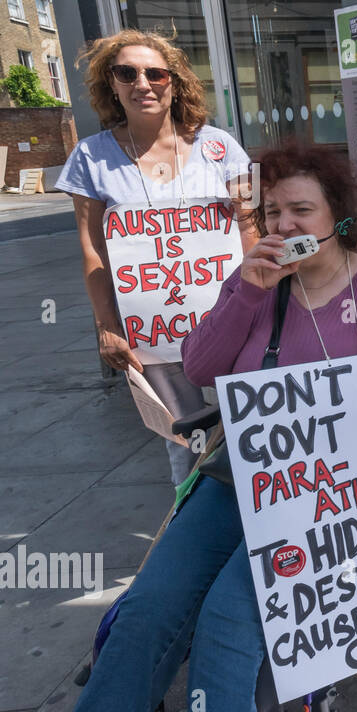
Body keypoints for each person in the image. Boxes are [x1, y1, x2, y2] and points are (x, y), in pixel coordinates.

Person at [61, 141, 357, 712]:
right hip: (240, 474)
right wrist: (250, 290)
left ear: (337, 216)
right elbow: (202, 367)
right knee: (144, 614)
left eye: (301, 211)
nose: (284, 225)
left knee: (229, 626)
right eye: (274, 211)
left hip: (331, 494)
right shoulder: (254, 281)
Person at [58, 29, 255, 487]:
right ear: (111, 84)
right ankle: (192, 531)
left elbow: (251, 225)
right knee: (186, 442)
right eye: (126, 73)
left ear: (175, 82)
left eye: (155, 73)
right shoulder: (91, 157)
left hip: (231, 321)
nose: (142, 83)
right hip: (155, 333)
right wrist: (107, 327)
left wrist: (262, 305)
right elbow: (93, 250)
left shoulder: (223, 148)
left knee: (251, 425)